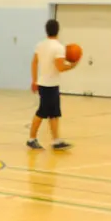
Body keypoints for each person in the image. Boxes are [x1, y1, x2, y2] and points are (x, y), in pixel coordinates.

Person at [28, 19, 77, 150]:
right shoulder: (59, 47)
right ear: (58, 30)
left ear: (46, 30)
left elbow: (34, 62)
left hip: (46, 84)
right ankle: (31, 138)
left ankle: (56, 140)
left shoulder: (40, 45)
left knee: (54, 113)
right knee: (42, 112)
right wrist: (73, 65)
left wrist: (34, 80)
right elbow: (60, 67)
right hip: (49, 85)